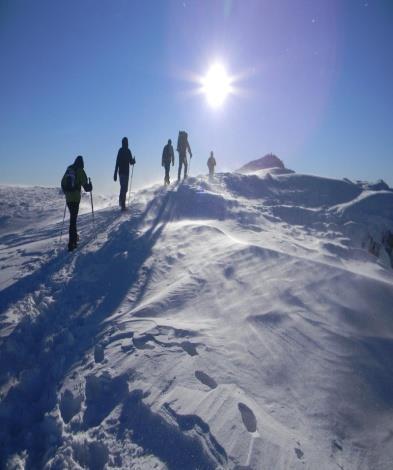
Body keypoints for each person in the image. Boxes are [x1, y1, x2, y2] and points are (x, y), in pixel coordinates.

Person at [61, 155, 92, 252]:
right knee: (73, 220)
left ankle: (74, 238)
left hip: (68, 198)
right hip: (75, 198)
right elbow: (86, 188)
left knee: (73, 218)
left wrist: (67, 191)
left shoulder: (69, 169)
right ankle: (71, 243)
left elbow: (62, 183)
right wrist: (90, 186)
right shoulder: (80, 171)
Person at [114, 137, 136, 210]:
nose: (126, 143)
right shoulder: (124, 151)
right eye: (126, 142)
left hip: (123, 172)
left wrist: (133, 161)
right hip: (123, 172)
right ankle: (122, 204)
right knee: (124, 187)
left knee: (124, 188)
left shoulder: (125, 151)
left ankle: (121, 202)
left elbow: (130, 162)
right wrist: (133, 161)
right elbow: (118, 162)